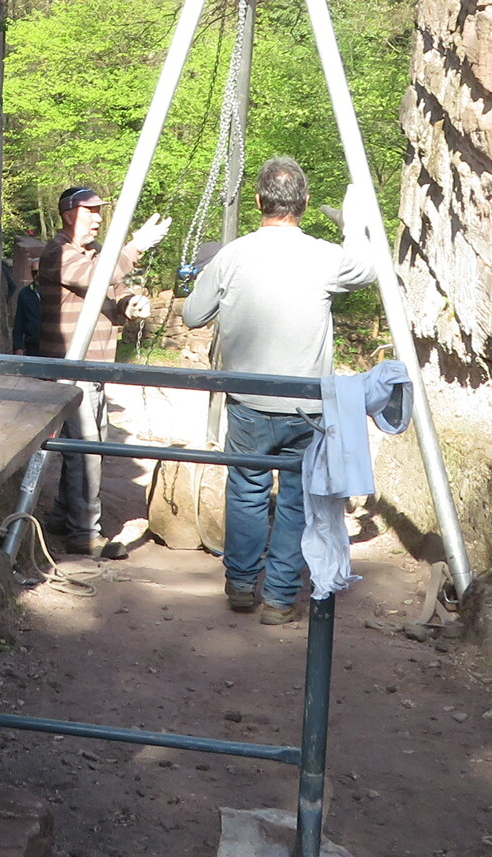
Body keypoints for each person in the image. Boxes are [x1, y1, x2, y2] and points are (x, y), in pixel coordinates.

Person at [180, 156, 383, 623]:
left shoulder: (232, 255)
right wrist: (352, 226)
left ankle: (240, 584)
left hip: (248, 400)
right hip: (305, 405)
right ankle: (278, 598)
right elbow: (368, 269)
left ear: (258, 201)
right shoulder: (323, 256)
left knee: (246, 491)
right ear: (305, 203)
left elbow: (192, 315)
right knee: (296, 500)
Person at [35, 185, 169, 556]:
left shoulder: (95, 253)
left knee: (86, 447)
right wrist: (136, 246)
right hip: (71, 367)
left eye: (99, 211)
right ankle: (85, 534)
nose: (97, 218)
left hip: (93, 366)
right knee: (86, 452)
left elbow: (113, 290)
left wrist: (130, 305)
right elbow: (97, 278)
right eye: (89, 211)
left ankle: (64, 516)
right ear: (68, 215)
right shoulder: (58, 252)